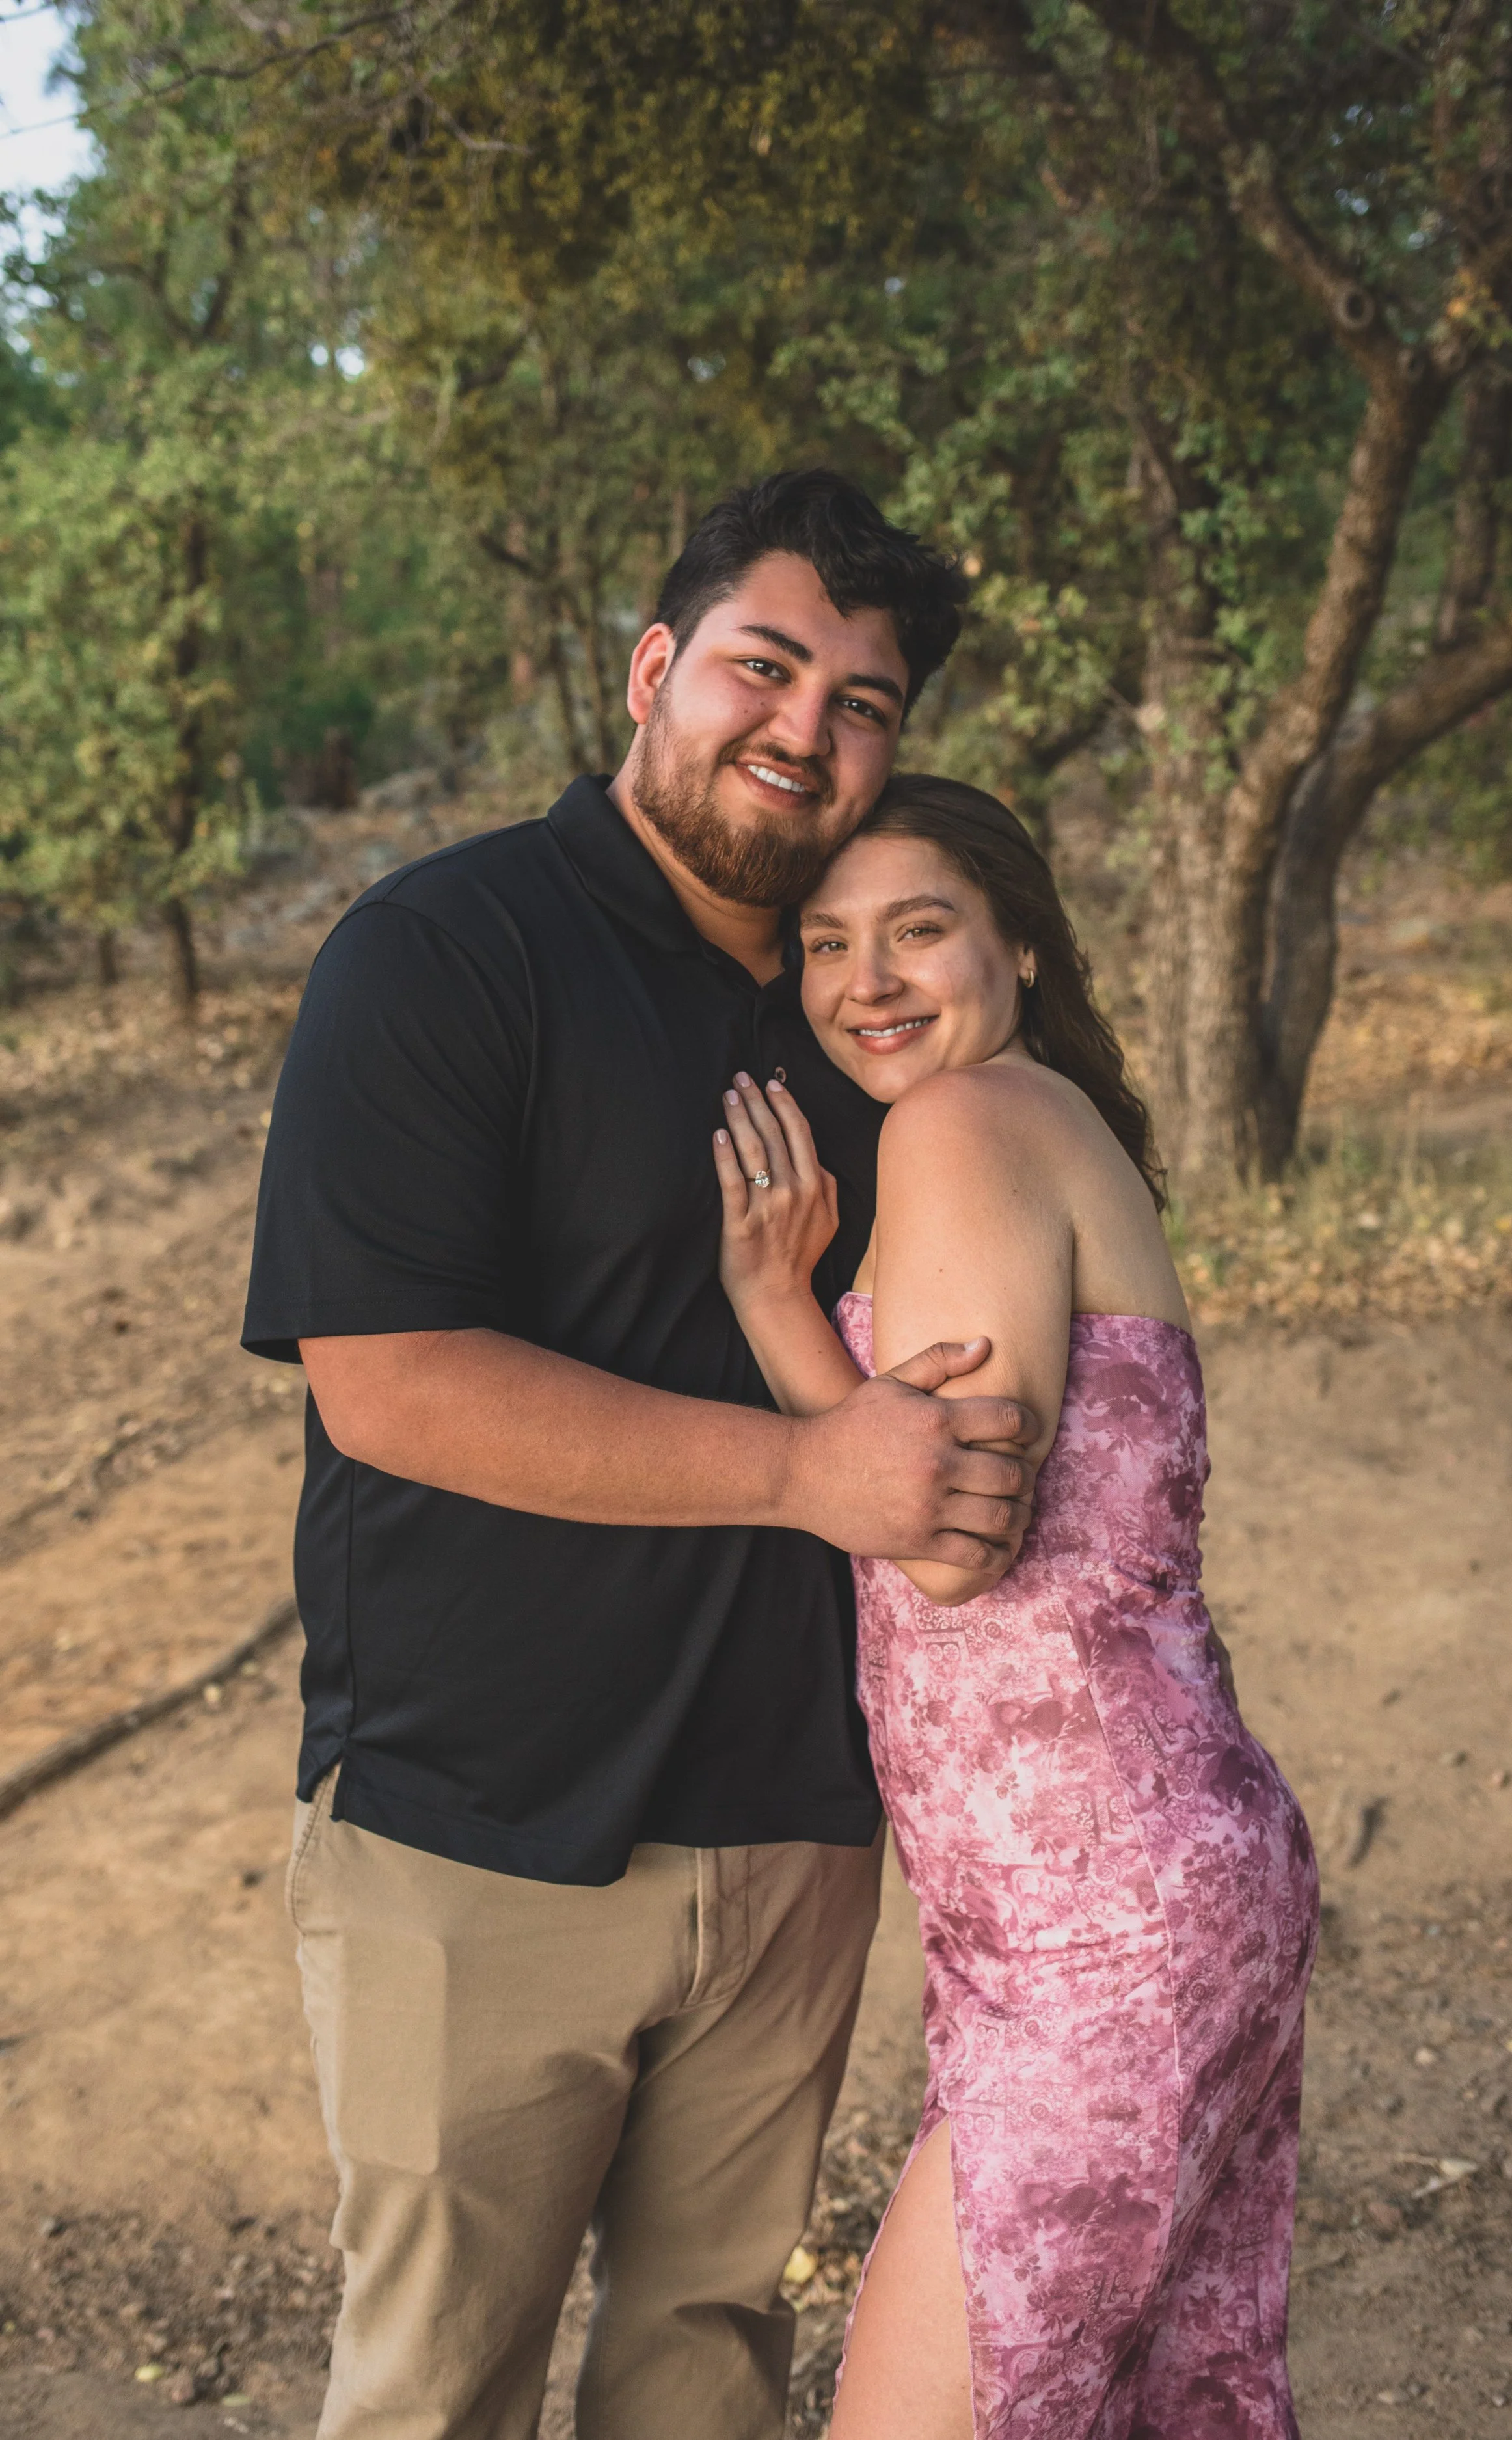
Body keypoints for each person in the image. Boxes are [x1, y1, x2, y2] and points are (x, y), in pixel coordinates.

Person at [241, 473, 1046, 2440]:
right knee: (436, 2387)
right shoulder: (440, 953)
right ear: (651, 670)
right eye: (763, 667)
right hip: (475, 1818)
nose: (804, 727)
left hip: (790, 1820)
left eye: (861, 702)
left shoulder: (865, 1017)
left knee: (703, 2370)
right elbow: (393, 1383)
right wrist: (806, 1473)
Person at [713, 774, 1320, 2440]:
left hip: (1101, 1917)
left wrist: (777, 1310)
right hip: (1147, 1881)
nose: (867, 981)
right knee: (1168, 2403)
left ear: (1020, 945)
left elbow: (947, 1538)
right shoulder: (1045, 1122)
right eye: (825, 945)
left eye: (918, 930)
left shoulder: (959, 1126)